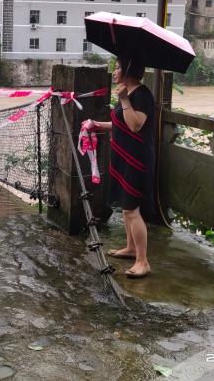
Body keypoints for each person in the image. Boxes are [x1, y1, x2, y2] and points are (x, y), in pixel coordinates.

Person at [84, 55, 155, 278]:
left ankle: (143, 261)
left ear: (128, 72)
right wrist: (96, 125)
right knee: (126, 208)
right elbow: (119, 124)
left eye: (117, 68)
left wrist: (124, 100)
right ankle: (131, 247)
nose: (114, 73)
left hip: (137, 159)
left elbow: (135, 125)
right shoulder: (128, 94)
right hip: (123, 157)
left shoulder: (141, 95)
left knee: (131, 210)